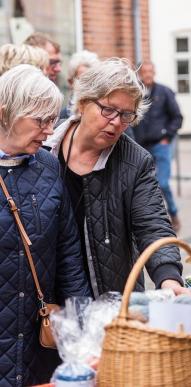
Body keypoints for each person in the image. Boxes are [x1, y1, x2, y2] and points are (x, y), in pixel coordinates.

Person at [45, 58, 188, 298]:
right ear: (82, 103)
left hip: (112, 299)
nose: (116, 122)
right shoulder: (43, 149)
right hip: (51, 299)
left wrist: (169, 278)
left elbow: (153, 224)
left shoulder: (135, 161)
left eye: (126, 115)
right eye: (108, 110)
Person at [0, 64, 91, 386]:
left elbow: (68, 251)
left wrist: (81, 325)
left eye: (53, 120)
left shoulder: (48, 167)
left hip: (39, 337)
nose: (49, 130)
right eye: (40, 120)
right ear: (5, 113)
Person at [132, 61, 183, 232]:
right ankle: (153, 220)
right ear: (139, 74)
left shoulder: (164, 92)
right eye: (144, 71)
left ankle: (173, 213)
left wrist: (167, 136)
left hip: (160, 145)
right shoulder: (134, 93)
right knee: (144, 185)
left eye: (150, 71)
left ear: (154, 72)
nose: (147, 74)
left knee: (163, 183)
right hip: (140, 147)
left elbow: (177, 117)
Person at [60, 50, 99, 120]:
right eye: (83, 80)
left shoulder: (107, 118)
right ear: (71, 82)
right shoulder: (58, 119)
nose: (89, 85)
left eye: (93, 80)